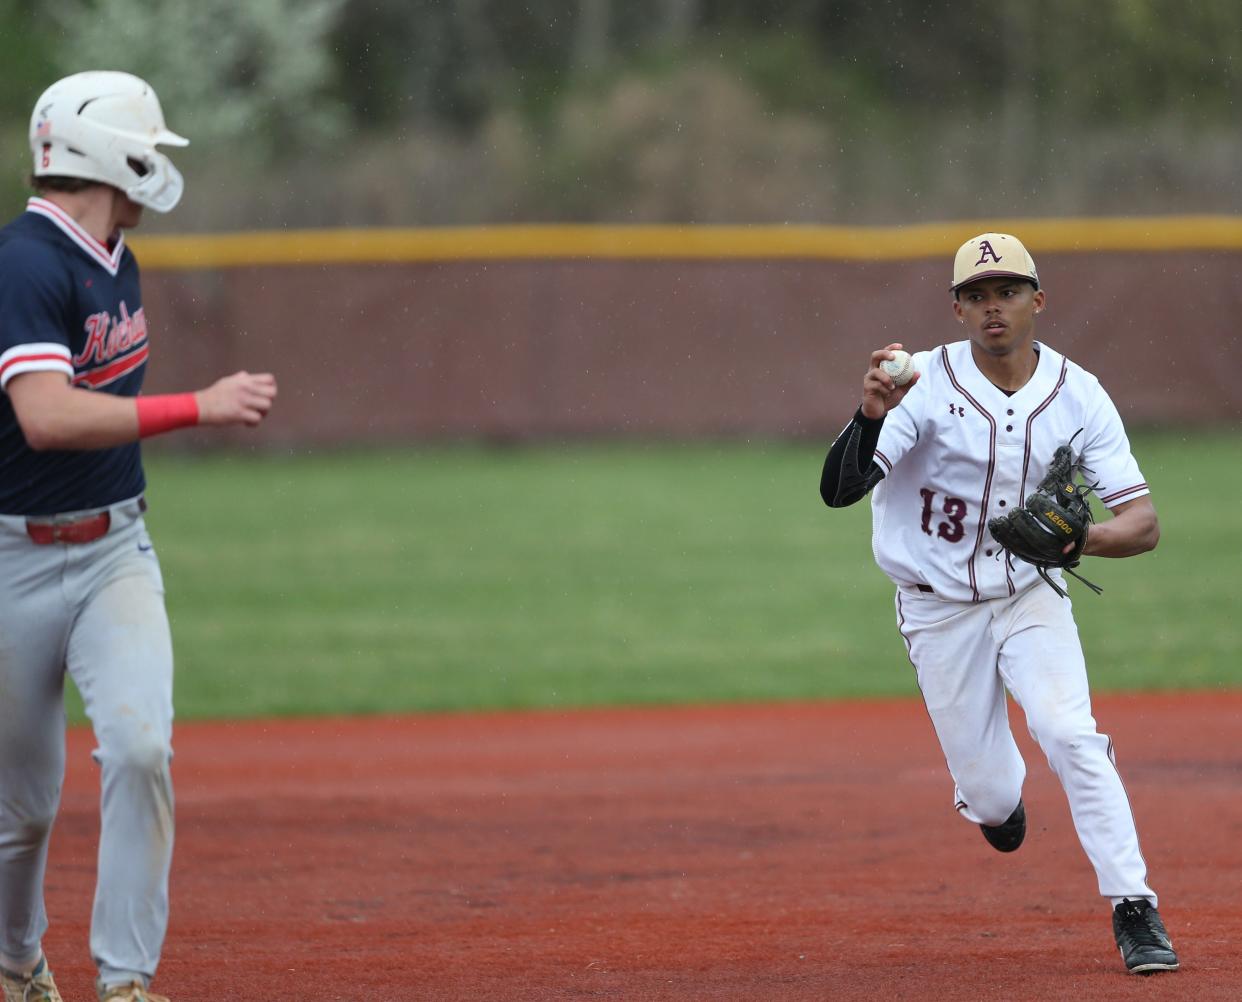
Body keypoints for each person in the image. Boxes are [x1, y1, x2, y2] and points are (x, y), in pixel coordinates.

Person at [818, 232, 1178, 976]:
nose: (994, 308)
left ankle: (1134, 907)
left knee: (1071, 734)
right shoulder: (923, 384)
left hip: (1029, 593)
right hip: (937, 608)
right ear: (955, 310)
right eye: (977, 296)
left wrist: (1077, 542)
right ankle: (990, 802)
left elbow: (1143, 525)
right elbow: (839, 490)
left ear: (1037, 300)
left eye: (1008, 291)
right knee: (991, 797)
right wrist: (871, 415)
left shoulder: (1080, 393)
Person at [0, 71, 277, 1002]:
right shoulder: (26, 262)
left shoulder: (115, 251)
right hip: (13, 562)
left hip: (118, 547)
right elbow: (44, 414)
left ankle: (124, 984)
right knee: (22, 812)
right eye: (147, 146)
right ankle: (15, 963)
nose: (155, 164)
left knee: (141, 747)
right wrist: (196, 407)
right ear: (103, 154)